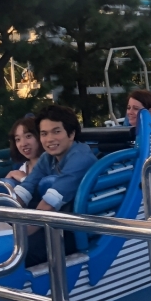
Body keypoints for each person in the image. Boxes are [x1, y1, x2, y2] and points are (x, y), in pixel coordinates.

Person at [14, 105, 97, 266]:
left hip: (76, 229)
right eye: (44, 134)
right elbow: (25, 190)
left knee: (20, 253)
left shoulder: (80, 158)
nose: (49, 139)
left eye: (56, 131)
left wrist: (16, 236)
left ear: (71, 134)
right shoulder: (48, 158)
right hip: (57, 222)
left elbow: (49, 205)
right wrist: (1, 219)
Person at [5, 114, 43, 182]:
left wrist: (24, 180)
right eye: (18, 139)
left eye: (28, 136)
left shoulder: (54, 166)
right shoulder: (21, 170)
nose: (23, 144)